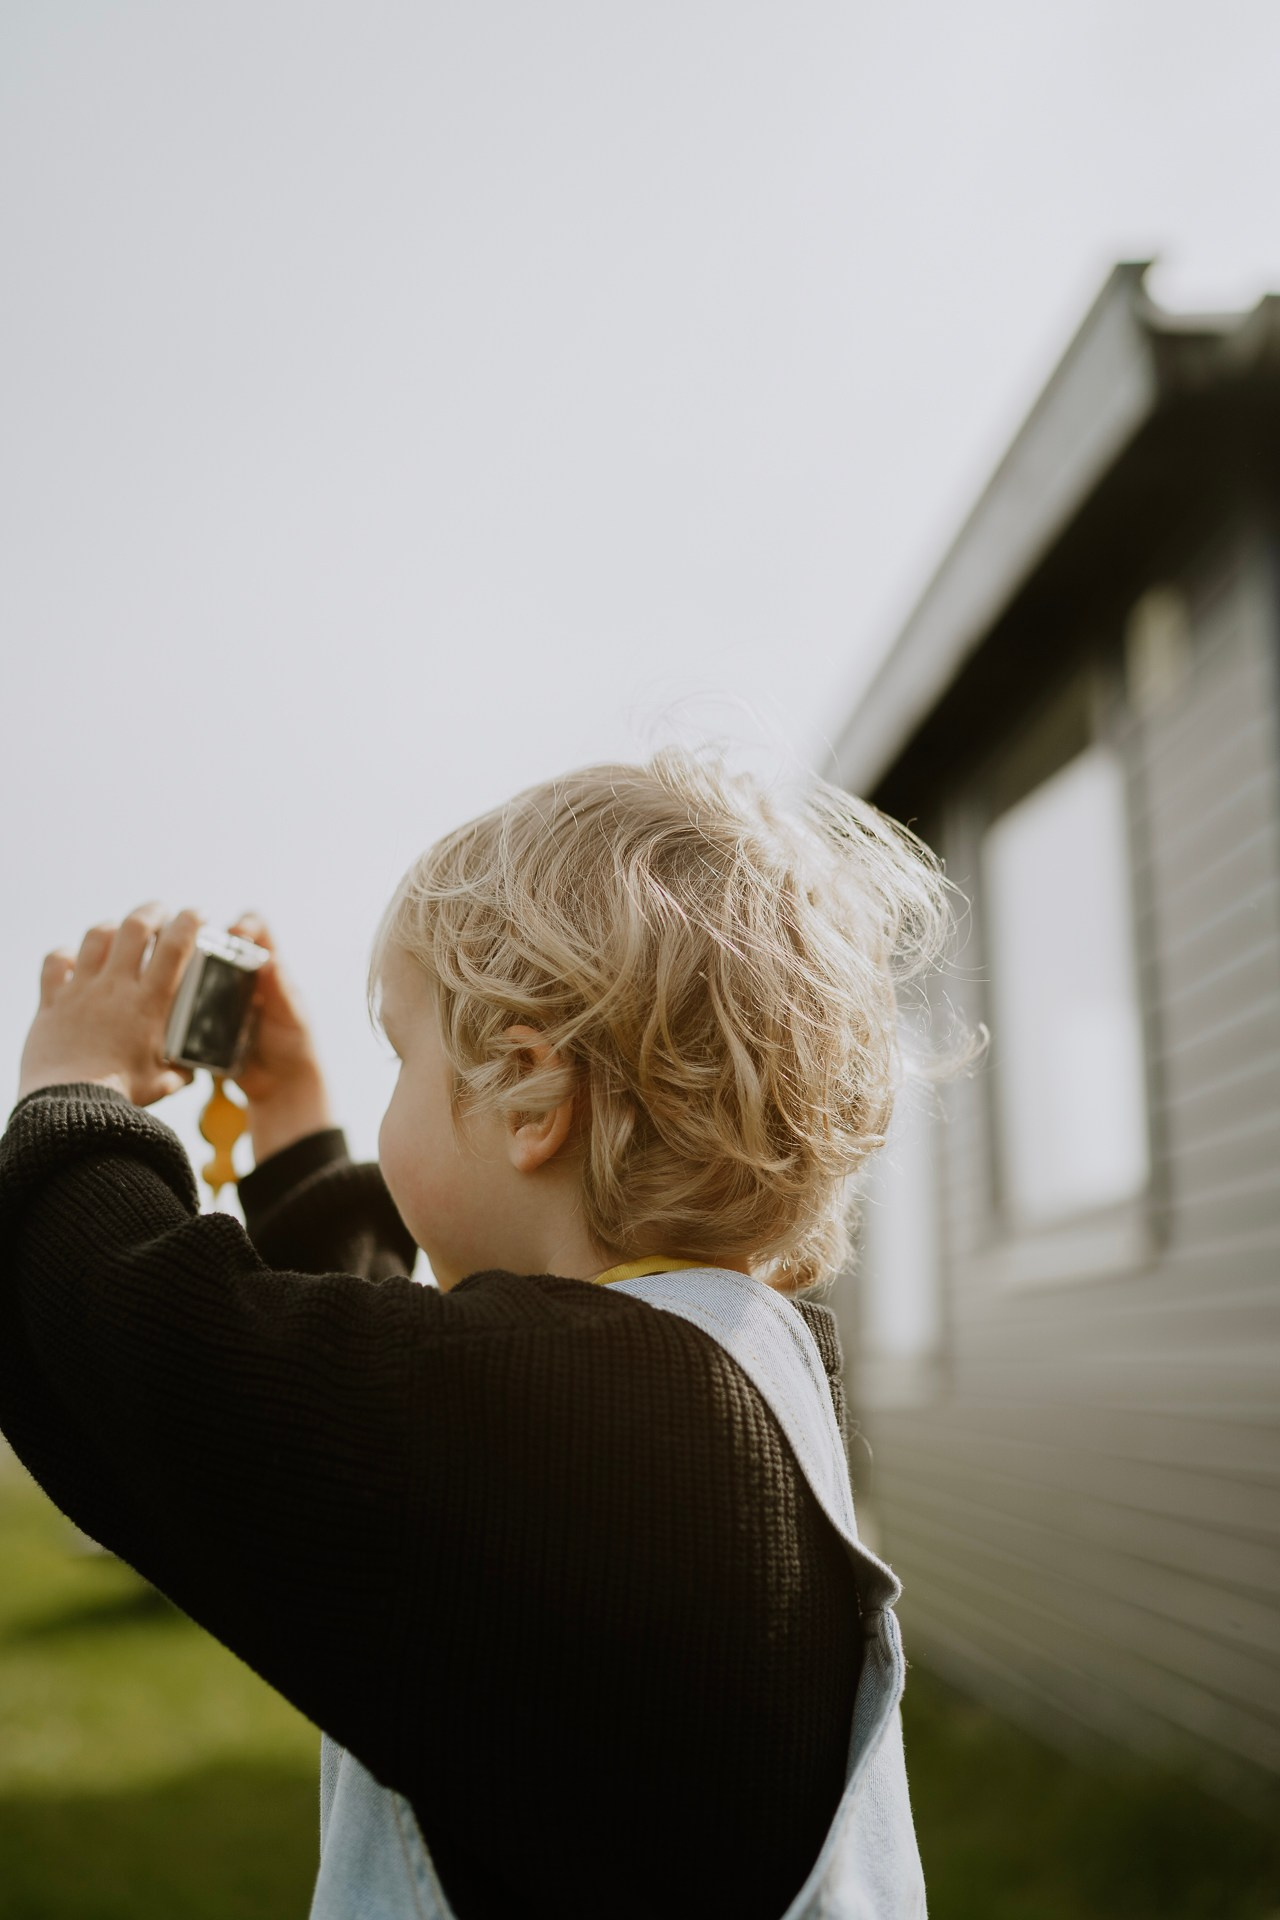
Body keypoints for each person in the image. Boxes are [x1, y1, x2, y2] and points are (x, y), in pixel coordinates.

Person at [0, 746, 981, 1918]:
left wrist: (71, 1097)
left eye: (402, 1054)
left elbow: (155, 1360)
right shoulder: (728, 1386)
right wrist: (296, 1129)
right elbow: (379, 1469)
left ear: (531, 1091)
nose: (389, 1090)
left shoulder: (573, 1417)